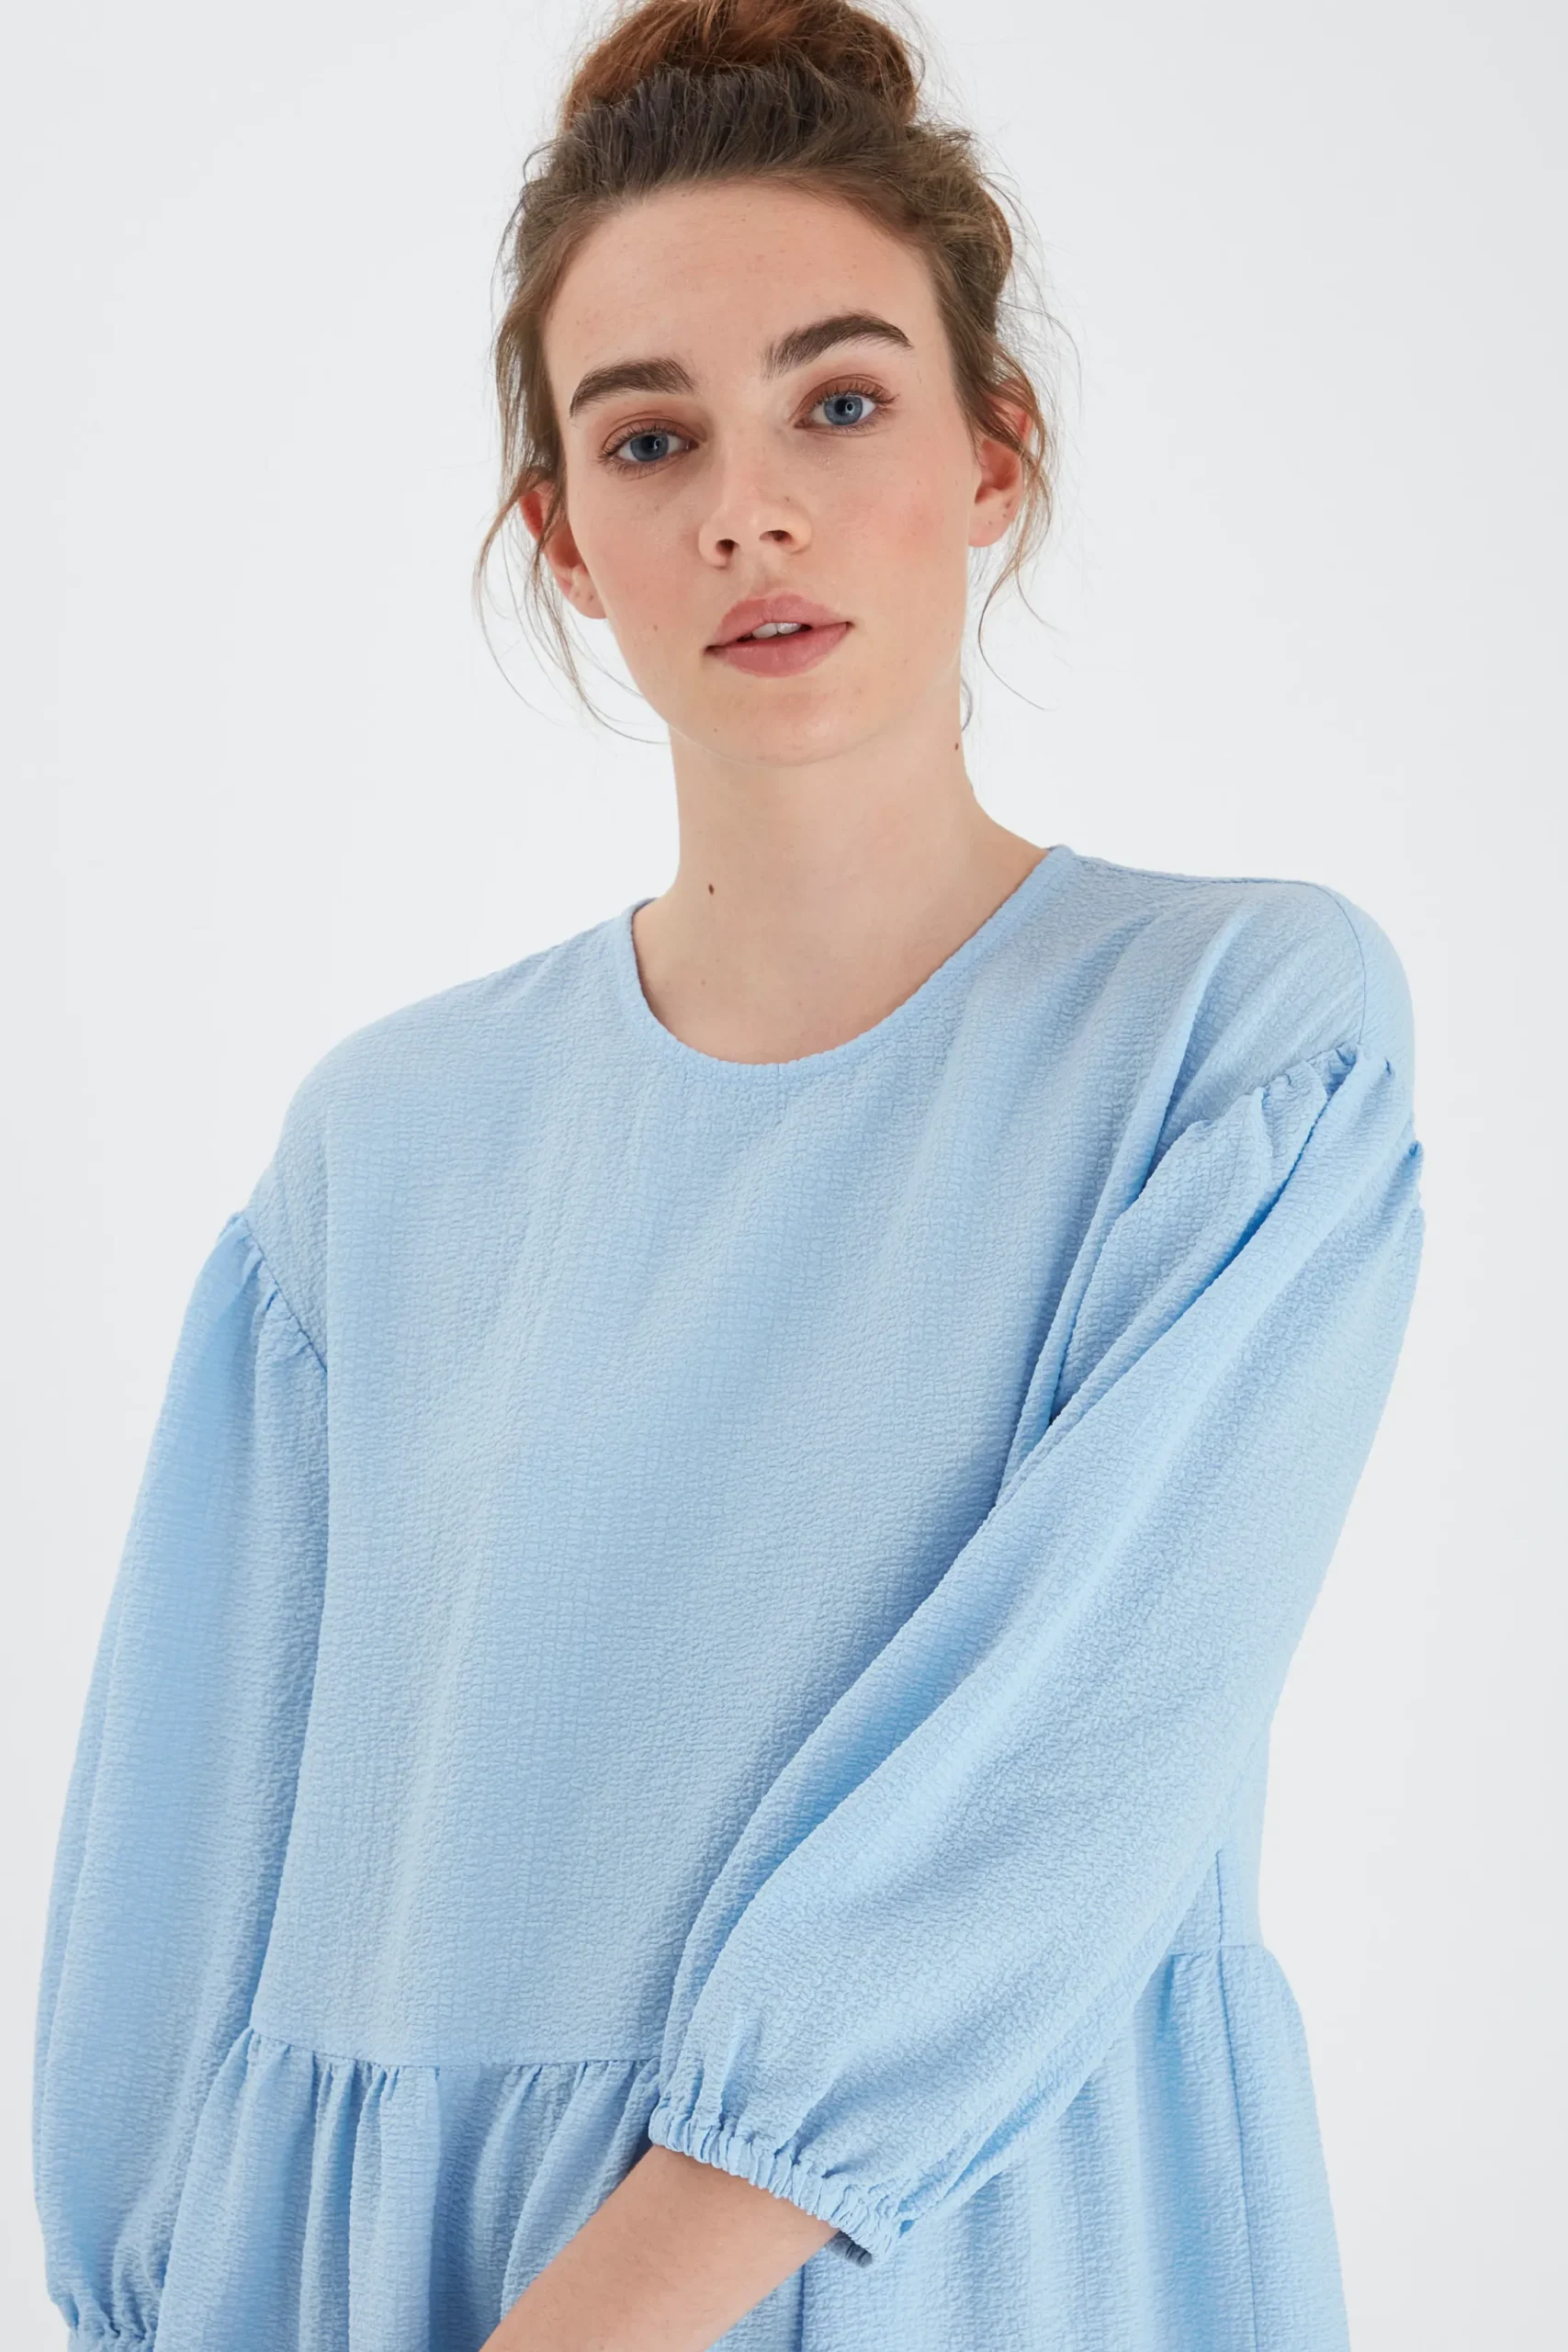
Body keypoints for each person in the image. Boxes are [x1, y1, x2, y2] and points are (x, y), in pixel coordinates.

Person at [30, 2, 1425, 2347]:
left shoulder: (1229, 1039)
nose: (746, 508)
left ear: (992, 452)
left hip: (966, 2254)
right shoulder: (383, 1150)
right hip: (383, 2268)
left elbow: (1067, 1758)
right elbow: (189, 1841)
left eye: (838, 401)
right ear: (563, 538)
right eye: (649, 436)